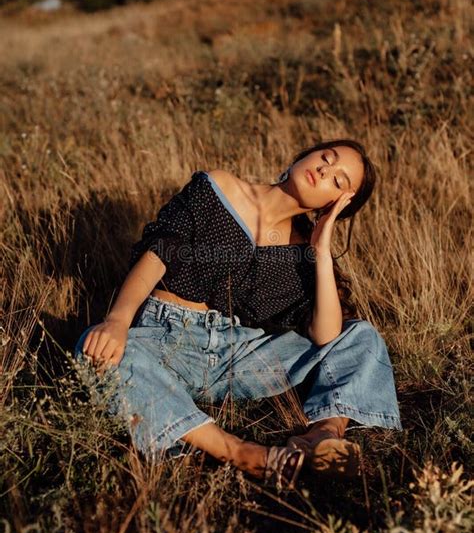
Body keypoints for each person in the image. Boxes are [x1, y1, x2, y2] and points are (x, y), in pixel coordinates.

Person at [74, 139, 402, 491]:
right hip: (167, 339)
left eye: (337, 181)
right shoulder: (219, 189)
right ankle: (241, 452)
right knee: (95, 353)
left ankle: (322, 436)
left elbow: (325, 336)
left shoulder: (301, 254)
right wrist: (118, 320)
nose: (324, 170)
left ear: (336, 204)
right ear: (305, 154)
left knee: (360, 336)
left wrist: (321, 250)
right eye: (327, 158)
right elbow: (160, 252)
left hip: (235, 356)